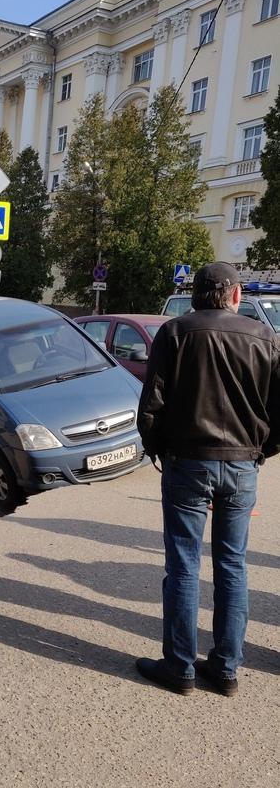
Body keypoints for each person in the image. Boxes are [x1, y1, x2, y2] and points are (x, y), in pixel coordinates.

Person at [136, 261, 280, 697]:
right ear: (236, 295)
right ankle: (226, 669)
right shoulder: (264, 337)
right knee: (232, 566)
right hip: (241, 465)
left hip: (187, 462)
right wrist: (259, 452)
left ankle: (180, 667)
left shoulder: (175, 333)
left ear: (195, 294)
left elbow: (150, 407)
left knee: (182, 565)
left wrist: (159, 450)